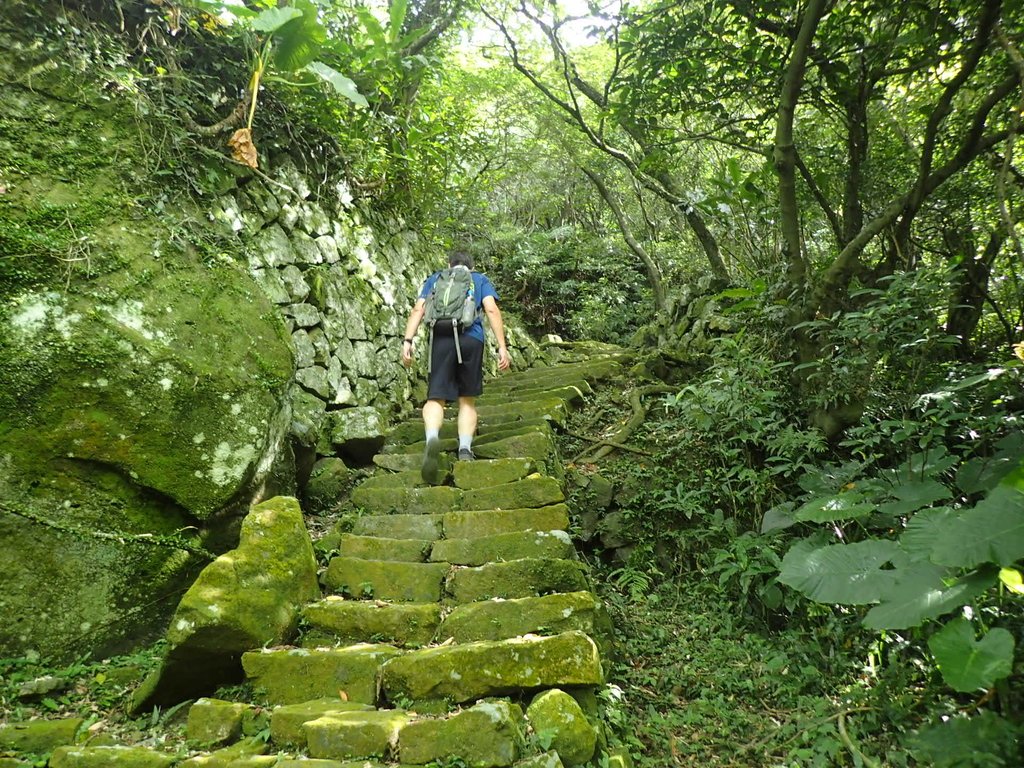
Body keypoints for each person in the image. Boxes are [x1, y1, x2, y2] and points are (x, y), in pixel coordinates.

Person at [401, 251, 510, 483]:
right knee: (467, 399)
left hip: (441, 339)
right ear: (471, 267)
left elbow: (418, 310)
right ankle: (464, 449)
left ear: (449, 264)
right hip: (472, 339)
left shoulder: (435, 278)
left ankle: (432, 438)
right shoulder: (479, 279)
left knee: (436, 397)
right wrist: (502, 347)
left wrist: (407, 341)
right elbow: (491, 309)